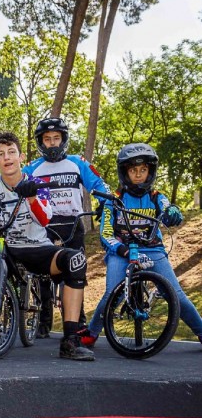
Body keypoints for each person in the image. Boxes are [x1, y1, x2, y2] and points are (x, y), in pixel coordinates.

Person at [0, 131, 95, 361]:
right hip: (4, 248)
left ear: (21, 157)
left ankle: (71, 340)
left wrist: (32, 197)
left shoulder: (36, 184)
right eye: (1, 154)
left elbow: (46, 218)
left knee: (75, 262)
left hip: (37, 248)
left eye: (11, 152)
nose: (6, 158)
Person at [81, 143, 202, 346]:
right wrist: (121, 249)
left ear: (150, 172)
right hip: (120, 251)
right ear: (125, 172)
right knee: (113, 294)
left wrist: (173, 213)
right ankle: (91, 333)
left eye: (143, 170)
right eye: (133, 170)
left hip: (152, 248)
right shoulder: (114, 200)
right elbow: (106, 234)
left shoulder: (156, 198)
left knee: (176, 296)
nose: (138, 175)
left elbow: (168, 209)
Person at [23, 118, 109, 337]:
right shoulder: (32, 168)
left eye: (56, 138)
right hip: (44, 224)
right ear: (41, 142)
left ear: (63, 140)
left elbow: (99, 185)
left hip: (72, 223)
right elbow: (18, 192)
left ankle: (77, 320)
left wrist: (104, 203)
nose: (52, 143)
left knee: (76, 270)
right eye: (47, 139)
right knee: (42, 273)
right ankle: (44, 320)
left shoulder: (78, 162)